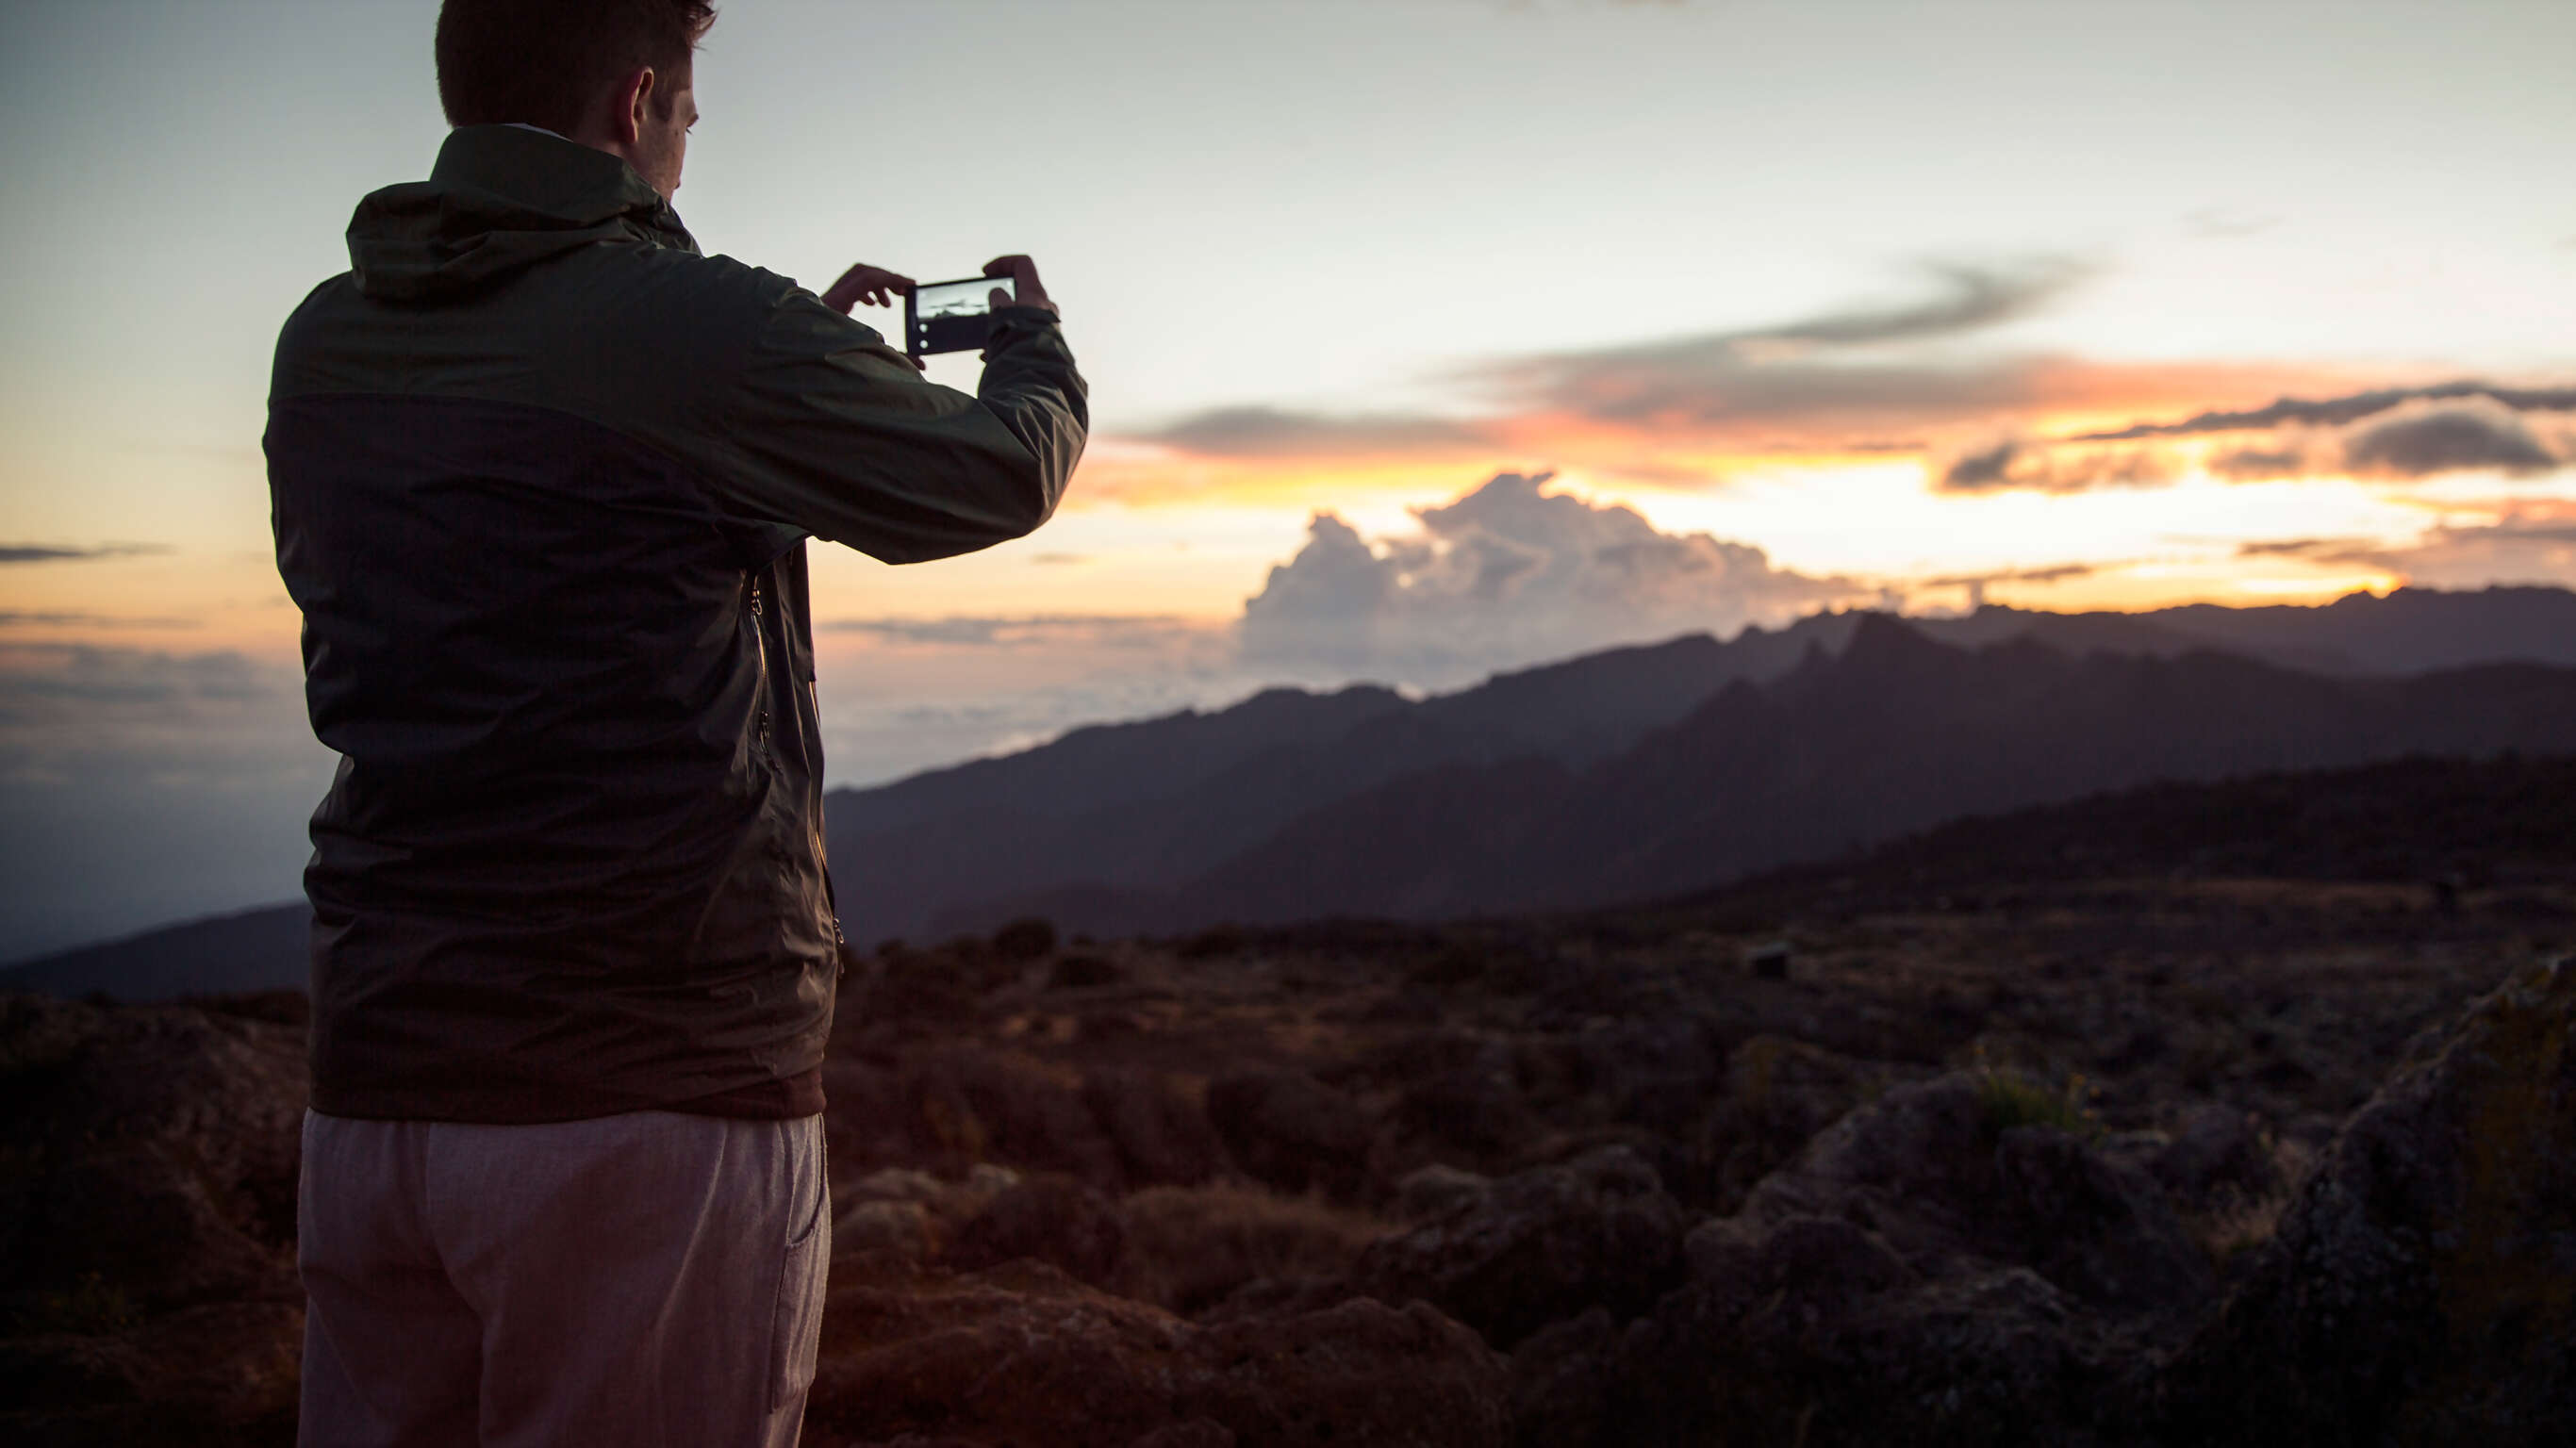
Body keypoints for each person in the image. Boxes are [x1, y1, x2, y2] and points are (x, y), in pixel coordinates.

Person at [266, 1, 1087, 1441]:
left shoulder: (324, 338)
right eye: (690, 117)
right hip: (642, 1093)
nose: (689, 144)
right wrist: (1031, 348)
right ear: (639, 97)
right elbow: (987, 478)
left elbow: (536, 561)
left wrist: (774, 388)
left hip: (377, 1087)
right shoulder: (692, 324)